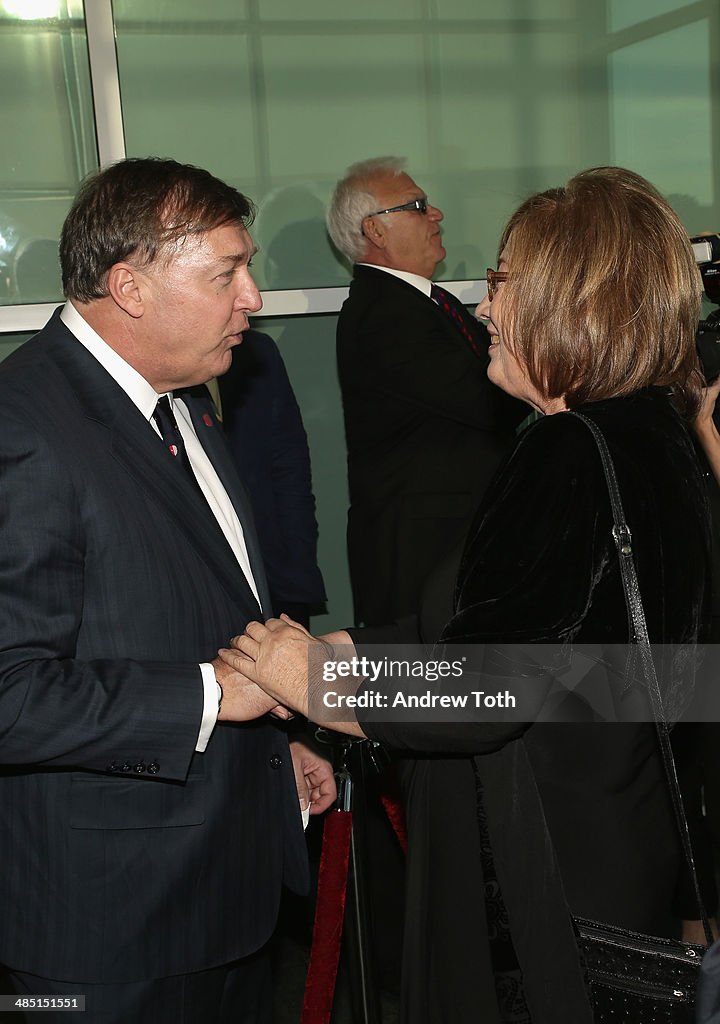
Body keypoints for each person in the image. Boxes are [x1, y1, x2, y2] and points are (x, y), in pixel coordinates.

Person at [220, 166, 711, 1023]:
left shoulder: (565, 450)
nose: (485, 305)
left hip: (539, 879)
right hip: (624, 847)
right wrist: (363, 648)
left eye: (503, 280)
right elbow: (581, 647)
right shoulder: (656, 430)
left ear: (570, 298)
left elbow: (496, 683)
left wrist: (320, 681)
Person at [0, 157, 335, 1024]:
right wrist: (212, 696)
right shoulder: (23, 428)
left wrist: (277, 740)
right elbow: (9, 691)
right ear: (130, 288)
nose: (253, 296)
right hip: (106, 930)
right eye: (226, 272)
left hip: (223, 890)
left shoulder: (184, 402)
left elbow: (213, 610)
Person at [328, 156, 525, 627]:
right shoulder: (386, 316)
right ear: (375, 231)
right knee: (427, 694)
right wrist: (557, 368)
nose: (435, 214)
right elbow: (491, 403)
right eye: (418, 205)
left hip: (448, 542)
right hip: (423, 555)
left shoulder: (429, 303)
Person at [217, 329, 327, 628]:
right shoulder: (148, 360)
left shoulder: (256, 352)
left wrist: (297, 563)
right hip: (202, 588)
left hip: (276, 577)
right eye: (225, 279)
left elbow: (290, 468)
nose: (251, 298)